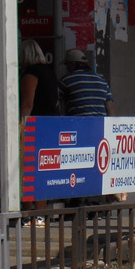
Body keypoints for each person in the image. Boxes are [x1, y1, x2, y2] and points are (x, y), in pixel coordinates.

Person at [19, 41, 58, 222]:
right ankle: (40, 214)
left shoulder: (31, 73)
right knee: (44, 169)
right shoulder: (50, 72)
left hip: (34, 125)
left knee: (27, 170)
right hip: (51, 125)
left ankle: (28, 214)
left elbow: (28, 103)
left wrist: (21, 125)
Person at [60, 49, 114, 116]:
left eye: (67, 65)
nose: (66, 68)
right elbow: (109, 106)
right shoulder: (102, 81)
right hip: (99, 124)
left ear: (72, 64)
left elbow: (55, 102)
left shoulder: (66, 80)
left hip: (78, 124)